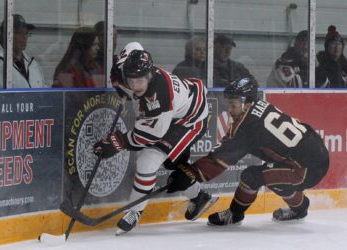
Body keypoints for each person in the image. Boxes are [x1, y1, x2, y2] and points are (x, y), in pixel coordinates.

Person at [167, 77, 330, 225]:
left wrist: (190, 173)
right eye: (228, 104)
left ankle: (234, 214)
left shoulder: (247, 127)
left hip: (306, 168)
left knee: (251, 177)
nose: (229, 110)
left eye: (233, 105)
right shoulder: (258, 106)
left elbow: (219, 159)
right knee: (276, 181)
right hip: (316, 153)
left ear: (246, 103)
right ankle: (301, 208)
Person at [93, 44, 218, 235]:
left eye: (141, 80)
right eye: (131, 81)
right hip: (177, 107)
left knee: (147, 161)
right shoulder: (126, 69)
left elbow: (148, 135)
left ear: (150, 74)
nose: (136, 86)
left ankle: (134, 212)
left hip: (189, 120)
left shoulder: (159, 96)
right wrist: (118, 82)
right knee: (171, 164)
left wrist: (115, 144)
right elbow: (134, 46)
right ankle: (199, 197)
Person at [0, 14, 45, 88]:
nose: (25, 37)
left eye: (26, 33)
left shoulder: (34, 66)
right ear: (7, 34)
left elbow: (44, 94)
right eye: (20, 33)